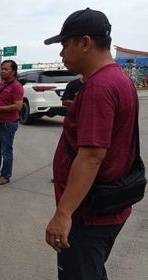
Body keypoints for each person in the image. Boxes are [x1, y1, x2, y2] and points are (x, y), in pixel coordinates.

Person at [44, 8, 138, 280]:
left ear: (85, 42)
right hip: (109, 207)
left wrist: (63, 214)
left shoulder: (99, 87)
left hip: (88, 215)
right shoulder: (120, 78)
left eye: (65, 45)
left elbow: (92, 156)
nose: (62, 54)